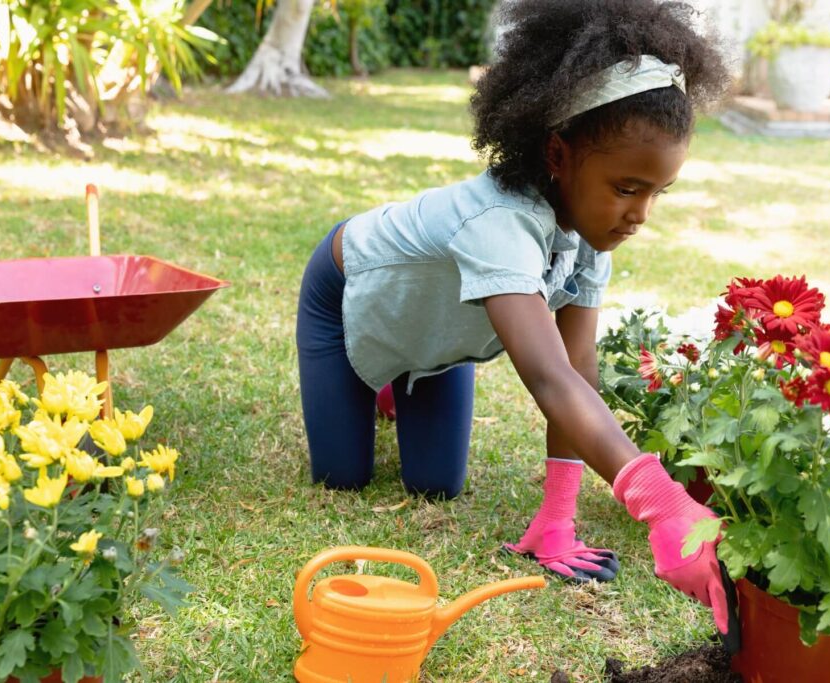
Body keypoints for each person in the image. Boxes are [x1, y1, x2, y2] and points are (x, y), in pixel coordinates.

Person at [296, 0, 731, 633]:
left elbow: (577, 375)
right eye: (626, 187)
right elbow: (548, 378)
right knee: (343, 479)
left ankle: (401, 380)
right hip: (343, 299)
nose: (640, 215)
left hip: (437, 343)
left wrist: (557, 518)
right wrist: (662, 505)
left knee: (434, 487)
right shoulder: (498, 224)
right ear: (557, 154)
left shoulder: (590, 230)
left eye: (656, 191)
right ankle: (374, 381)